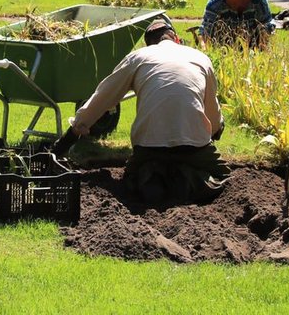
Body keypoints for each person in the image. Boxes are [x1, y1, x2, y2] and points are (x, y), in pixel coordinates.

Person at [65, 19, 228, 206]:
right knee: (222, 176)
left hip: (149, 147)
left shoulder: (138, 57)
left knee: (134, 178)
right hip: (195, 146)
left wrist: (77, 128)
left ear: (148, 43)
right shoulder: (200, 58)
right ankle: (187, 181)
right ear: (176, 38)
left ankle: (152, 180)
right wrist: (216, 128)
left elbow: (103, 96)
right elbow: (211, 106)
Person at [198, 0, 275, 49]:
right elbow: (205, 29)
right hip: (225, 36)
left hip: (252, 34)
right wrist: (204, 48)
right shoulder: (216, 0)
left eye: (235, 3)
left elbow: (266, 24)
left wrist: (263, 49)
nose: (232, 6)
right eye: (229, 3)